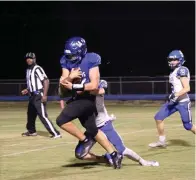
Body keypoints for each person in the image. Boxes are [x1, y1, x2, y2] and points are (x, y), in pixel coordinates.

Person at [56, 37, 122, 169]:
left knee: (61, 120)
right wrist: (71, 76)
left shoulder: (91, 59)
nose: (71, 58)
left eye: (73, 55)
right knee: (92, 130)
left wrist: (74, 86)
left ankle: (85, 140)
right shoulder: (66, 61)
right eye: (69, 55)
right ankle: (114, 154)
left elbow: (94, 85)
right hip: (77, 99)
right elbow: (63, 83)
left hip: (88, 99)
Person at [75, 80, 159, 167]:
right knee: (80, 154)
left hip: (104, 125)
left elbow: (100, 90)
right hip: (92, 128)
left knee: (122, 149)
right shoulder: (84, 93)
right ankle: (106, 159)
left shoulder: (96, 91)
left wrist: (78, 87)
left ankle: (143, 161)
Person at [149, 50, 195, 148]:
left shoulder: (182, 70)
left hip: (182, 102)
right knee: (158, 117)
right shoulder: (174, 72)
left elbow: (187, 88)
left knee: (188, 126)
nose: (172, 62)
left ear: (180, 60)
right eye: (171, 59)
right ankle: (162, 142)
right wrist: (172, 96)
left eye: (174, 59)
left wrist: (176, 94)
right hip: (174, 102)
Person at [21, 52, 61, 139]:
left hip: (38, 95)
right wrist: (27, 89)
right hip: (31, 95)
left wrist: (45, 95)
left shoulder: (37, 68)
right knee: (30, 114)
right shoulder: (28, 70)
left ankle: (56, 133)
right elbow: (32, 83)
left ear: (34, 59)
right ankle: (32, 131)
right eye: (27, 58)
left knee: (42, 115)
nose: (28, 59)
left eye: (30, 58)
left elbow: (46, 81)